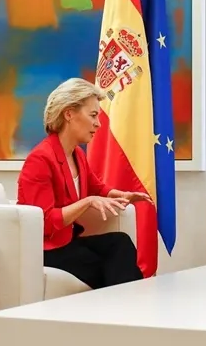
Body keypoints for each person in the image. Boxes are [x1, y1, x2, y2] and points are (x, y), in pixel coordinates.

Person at [17, 77, 150, 289]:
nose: (98, 123)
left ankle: (128, 311)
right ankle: (131, 312)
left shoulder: (76, 154)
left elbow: (97, 187)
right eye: (93, 115)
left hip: (67, 242)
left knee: (120, 243)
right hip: (46, 249)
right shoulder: (39, 160)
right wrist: (87, 202)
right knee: (112, 267)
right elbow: (44, 221)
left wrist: (121, 194)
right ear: (69, 113)